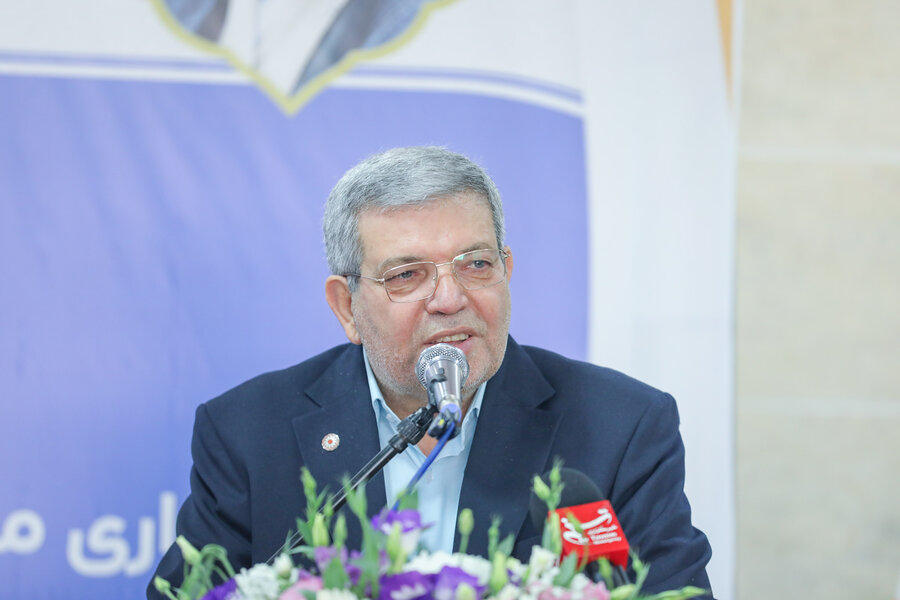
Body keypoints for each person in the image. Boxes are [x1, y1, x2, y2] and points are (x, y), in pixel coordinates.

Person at [148, 146, 713, 598]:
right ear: (347, 307)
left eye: (476, 264)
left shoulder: (621, 426)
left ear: (506, 271)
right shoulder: (248, 432)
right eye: (406, 275)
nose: (449, 298)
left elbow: (672, 591)